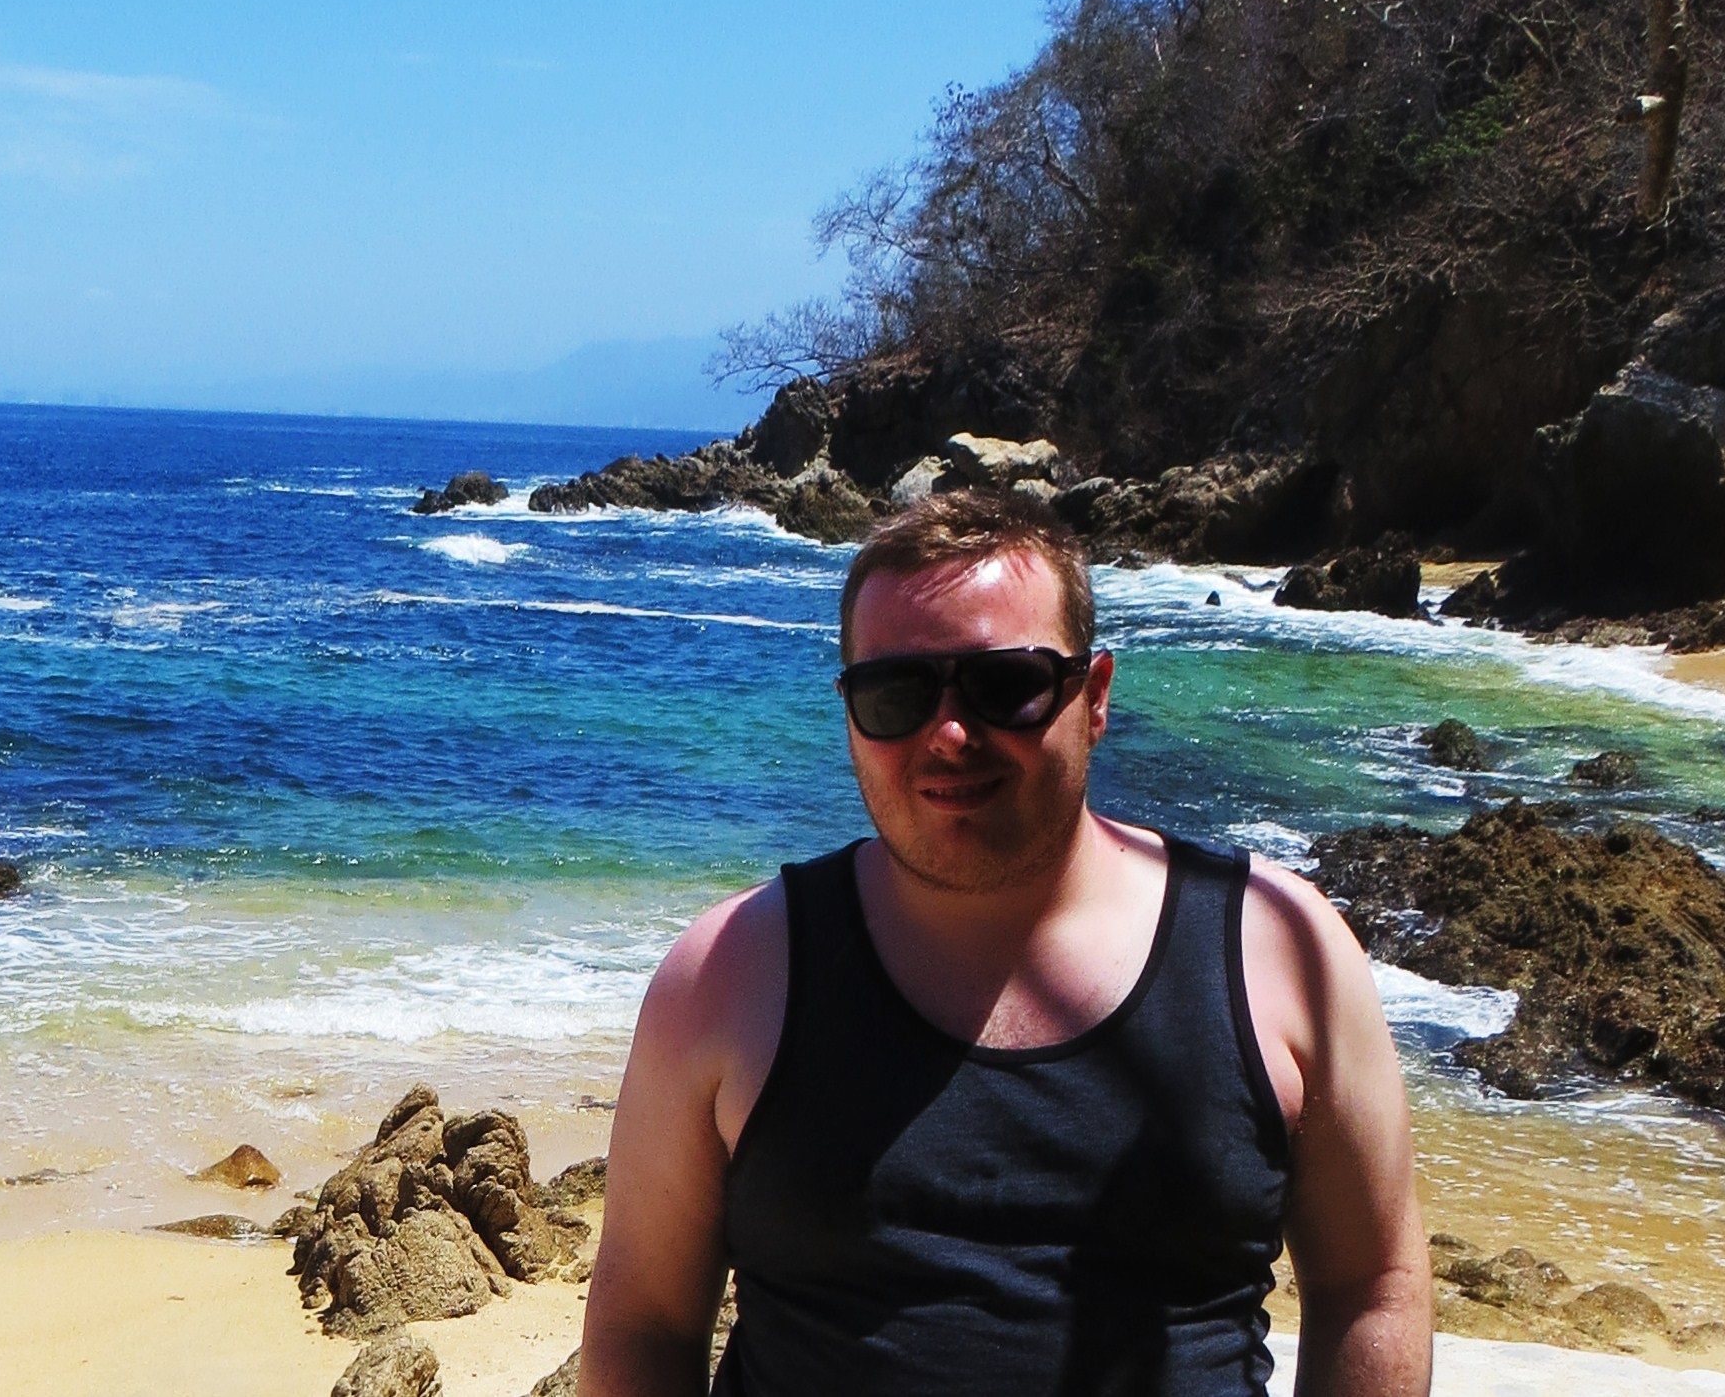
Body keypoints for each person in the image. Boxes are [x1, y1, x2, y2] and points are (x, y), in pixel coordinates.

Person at [579, 488, 1430, 1396]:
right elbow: (644, 1321)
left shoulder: (1280, 950)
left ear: (1094, 696)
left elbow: (1371, 1282)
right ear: (850, 712)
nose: (949, 733)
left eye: (1005, 685)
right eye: (896, 693)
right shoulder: (728, 972)